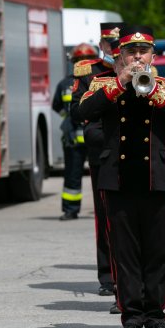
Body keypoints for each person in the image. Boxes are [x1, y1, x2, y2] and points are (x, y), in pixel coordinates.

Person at [79, 25, 165, 328]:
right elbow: (83, 112)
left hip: (157, 179)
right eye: (131, 52)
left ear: (153, 55)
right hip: (118, 179)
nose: (138, 57)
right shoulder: (104, 84)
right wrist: (121, 83)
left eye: (143, 52)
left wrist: (155, 92)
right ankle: (131, 317)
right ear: (120, 55)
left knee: (157, 253)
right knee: (125, 254)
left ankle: (155, 318)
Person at [70, 22, 125, 306]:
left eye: (116, 43)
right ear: (101, 43)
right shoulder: (87, 70)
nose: (111, 48)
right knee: (104, 215)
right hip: (101, 150)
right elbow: (77, 109)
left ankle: (128, 282)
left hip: (131, 150)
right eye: (107, 43)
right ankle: (108, 276)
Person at [52, 43, 98, 221]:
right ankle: (71, 209)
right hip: (78, 138)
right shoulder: (67, 83)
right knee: (72, 175)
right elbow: (58, 106)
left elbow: (58, 107)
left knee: (99, 174)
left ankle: (73, 210)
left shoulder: (97, 80)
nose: (83, 63)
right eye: (80, 60)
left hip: (92, 137)